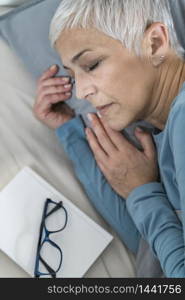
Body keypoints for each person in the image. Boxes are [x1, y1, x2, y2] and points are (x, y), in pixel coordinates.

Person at [33, 0, 185, 277]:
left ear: (155, 43)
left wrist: (143, 192)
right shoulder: (160, 133)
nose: (80, 93)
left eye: (91, 65)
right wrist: (68, 128)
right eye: (72, 76)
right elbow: (150, 250)